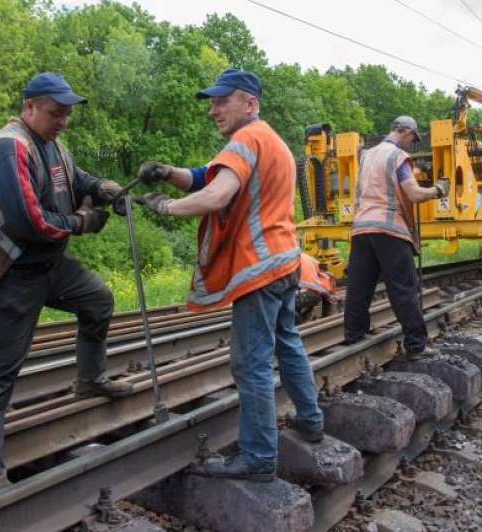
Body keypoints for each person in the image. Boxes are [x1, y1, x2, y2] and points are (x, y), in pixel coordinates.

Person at [135, 68, 323, 482]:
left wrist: (164, 207)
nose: (214, 110)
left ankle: (257, 458)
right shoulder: (270, 140)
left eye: (223, 101)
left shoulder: (246, 139)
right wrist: (168, 172)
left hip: (259, 269)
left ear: (250, 102)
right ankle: (310, 420)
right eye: (212, 102)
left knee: (250, 363)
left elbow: (216, 194)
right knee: (288, 345)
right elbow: (205, 176)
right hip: (285, 262)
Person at [0, 72, 134, 496]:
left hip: (50, 267)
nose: (63, 121)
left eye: (67, 114)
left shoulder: (50, 143)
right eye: (56, 113)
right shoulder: (8, 148)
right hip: (13, 273)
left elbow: (75, 178)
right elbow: (28, 222)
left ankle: (89, 379)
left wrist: (105, 189)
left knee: (98, 302)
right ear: (29, 106)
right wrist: (82, 222)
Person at [343, 116, 448, 360]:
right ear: (407, 132)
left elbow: (358, 196)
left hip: (362, 228)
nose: (412, 143)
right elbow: (413, 194)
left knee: (359, 287)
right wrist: (438, 190)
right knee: (403, 288)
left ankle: (354, 336)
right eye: (413, 138)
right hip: (389, 228)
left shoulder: (367, 156)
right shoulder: (398, 157)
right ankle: (417, 346)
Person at [295, 253, 338, 323]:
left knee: (283, 306)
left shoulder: (288, 259)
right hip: (317, 294)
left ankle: (301, 323)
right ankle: (306, 318)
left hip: (304, 294)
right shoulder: (308, 258)